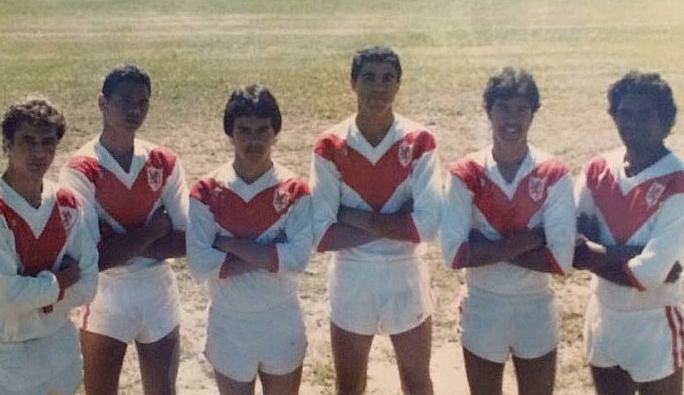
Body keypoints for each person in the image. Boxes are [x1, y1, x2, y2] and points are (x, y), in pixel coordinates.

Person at [310, 46, 443, 395]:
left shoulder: (420, 141)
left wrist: (351, 216)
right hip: (352, 275)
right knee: (349, 385)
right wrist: (398, 224)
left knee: (416, 382)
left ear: (400, 85)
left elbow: (427, 227)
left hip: (406, 274)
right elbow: (322, 235)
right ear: (352, 83)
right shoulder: (329, 145)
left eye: (387, 79)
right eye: (368, 77)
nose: (378, 88)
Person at [439, 67, 575, 395]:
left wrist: (485, 247)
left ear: (533, 114)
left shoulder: (553, 173)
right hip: (483, 305)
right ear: (488, 112)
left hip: (535, 306)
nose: (511, 119)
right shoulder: (464, 173)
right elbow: (454, 254)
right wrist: (532, 238)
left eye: (521, 109)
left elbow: (560, 261)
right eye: (503, 108)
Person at [59, 65, 188, 395]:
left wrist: (119, 241)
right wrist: (153, 230)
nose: (135, 110)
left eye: (143, 102)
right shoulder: (81, 168)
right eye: (126, 101)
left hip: (159, 290)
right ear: (102, 102)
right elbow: (95, 259)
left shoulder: (164, 161)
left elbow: (186, 240)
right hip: (105, 295)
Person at [187, 84, 313, 395]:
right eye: (244, 130)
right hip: (229, 322)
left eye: (262, 130)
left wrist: (228, 244)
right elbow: (201, 264)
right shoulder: (206, 191)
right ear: (230, 132)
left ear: (276, 133)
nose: (254, 140)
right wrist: (272, 255)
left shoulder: (294, 190)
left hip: (281, 318)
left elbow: (297, 260)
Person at [0, 96, 98, 394]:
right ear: (7, 144)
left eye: (47, 142)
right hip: (12, 356)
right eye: (28, 141)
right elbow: (8, 299)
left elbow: (88, 285)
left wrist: (35, 292)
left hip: (61, 346)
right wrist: (59, 281)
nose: (39, 152)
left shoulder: (67, 203)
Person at [573, 71, 684, 395]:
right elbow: (569, 246)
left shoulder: (678, 180)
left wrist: (591, 254)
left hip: (654, 322)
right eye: (625, 113)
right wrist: (636, 255)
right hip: (603, 316)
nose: (633, 122)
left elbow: (650, 275)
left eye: (645, 114)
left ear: (666, 122)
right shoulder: (597, 170)